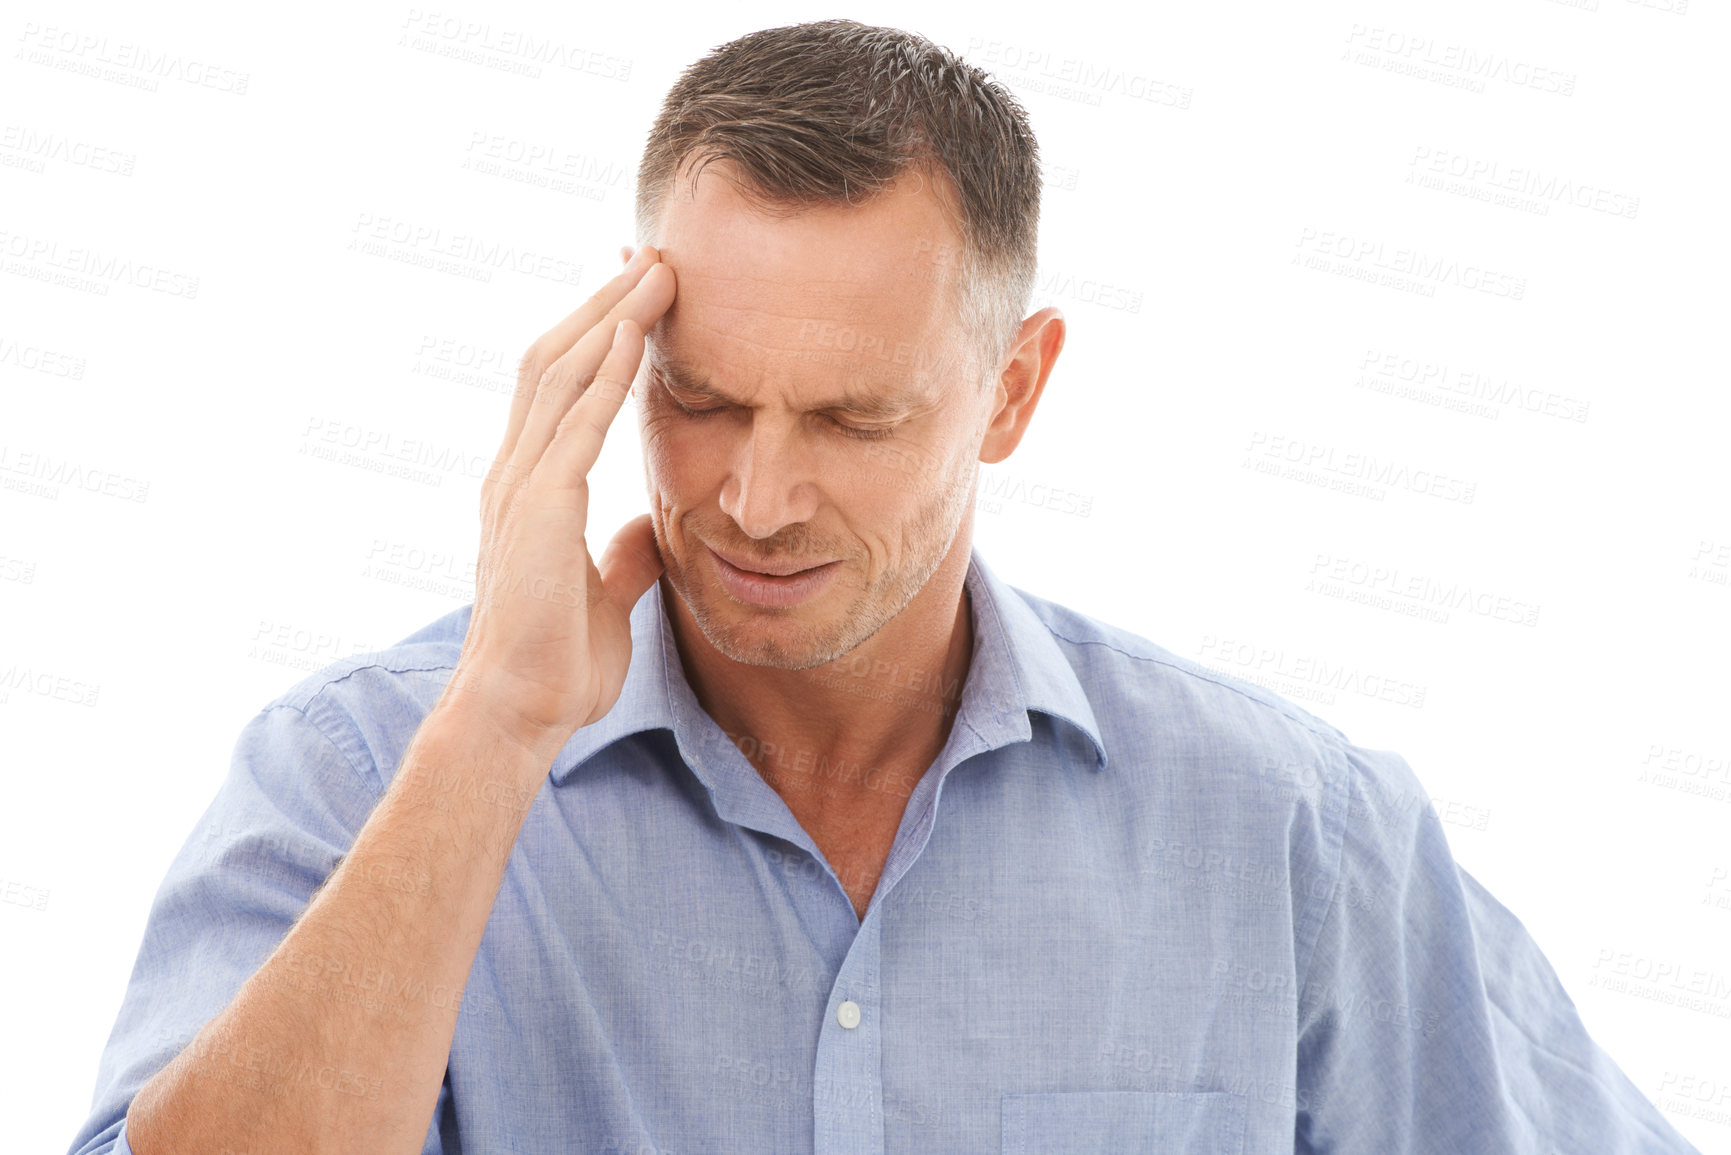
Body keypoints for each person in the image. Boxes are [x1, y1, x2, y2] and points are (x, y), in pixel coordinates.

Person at [69, 19, 1699, 1155]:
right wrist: (494, 733)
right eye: (699, 399)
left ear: (1012, 390)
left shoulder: (1284, 835)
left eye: (856, 418)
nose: (754, 501)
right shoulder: (361, 778)